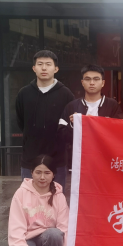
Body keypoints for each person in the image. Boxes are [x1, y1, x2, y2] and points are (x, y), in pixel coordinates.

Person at [16, 50, 74, 188]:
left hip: (57, 160)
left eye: (48, 64)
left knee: (55, 198)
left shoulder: (66, 94)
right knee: (29, 199)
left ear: (56, 69)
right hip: (30, 159)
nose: (44, 68)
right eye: (40, 64)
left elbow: (69, 126)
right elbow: (21, 122)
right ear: (34, 68)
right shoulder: (24, 93)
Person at [8, 155, 69, 246]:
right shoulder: (21, 193)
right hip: (28, 239)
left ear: (53, 174)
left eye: (47, 173)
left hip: (49, 238)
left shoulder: (59, 196)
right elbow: (16, 225)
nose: (42, 177)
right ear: (31, 173)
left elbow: (64, 228)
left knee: (55, 233)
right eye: (38, 172)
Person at [58, 64, 123, 145]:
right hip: (80, 151)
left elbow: (120, 132)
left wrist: (106, 123)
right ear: (82, 82)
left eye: (96, 79)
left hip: (103, 151)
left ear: (103, 83)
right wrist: (73, 125)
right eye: (87, 79)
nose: (92, 83)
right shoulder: (72, 106)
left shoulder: (112, 105)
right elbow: (61, 136)